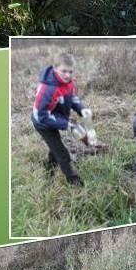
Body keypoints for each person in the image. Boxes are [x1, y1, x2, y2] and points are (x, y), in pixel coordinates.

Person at [30, 52, 91, 187]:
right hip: (43, 123)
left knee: (54, 148)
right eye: (64, 71)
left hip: (54, 117)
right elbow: (41, 116)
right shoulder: (48, 89)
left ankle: (49, 167)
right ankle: (74, 181)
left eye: (71, 72)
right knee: (62, 153)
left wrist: (82, 109)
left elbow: (73, 98)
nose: (68, 75)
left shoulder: (68, 83)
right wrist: (65, 124)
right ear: (55, 68)